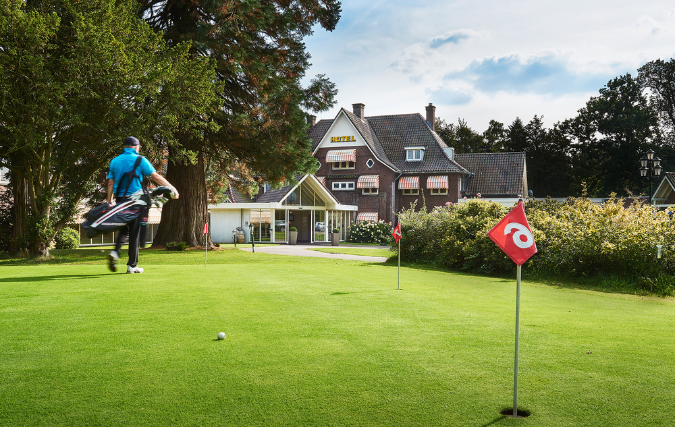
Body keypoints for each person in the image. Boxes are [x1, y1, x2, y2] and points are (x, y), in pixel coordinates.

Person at [106, 136, 179, 273]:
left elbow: (110, 183)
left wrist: (110, 202)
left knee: (124, 230)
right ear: (135, 147)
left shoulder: (114, 161)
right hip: (136, 201)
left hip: (120, 200)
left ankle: (115, 252)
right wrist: (172, 188)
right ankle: (132, 266)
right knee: (134, 232)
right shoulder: (140, 160)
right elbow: (155, 176)